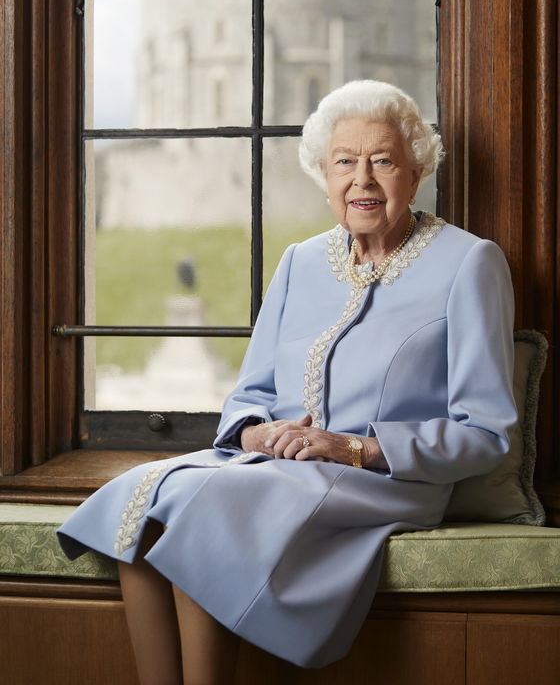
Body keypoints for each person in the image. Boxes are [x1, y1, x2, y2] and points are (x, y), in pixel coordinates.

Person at [58, 80, 517, 685]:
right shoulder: (299, 262)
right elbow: (249, 393)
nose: (363, 181)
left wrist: (353, 447)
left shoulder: (469, 262)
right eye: (344, 163)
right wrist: (253, 434)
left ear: (417, 169)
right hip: (276, 471)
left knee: (207, 510)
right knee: (143, 496)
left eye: (383, 161)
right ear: (324, 175)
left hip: (383, 481)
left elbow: (486, 432)